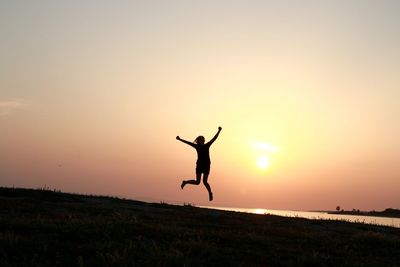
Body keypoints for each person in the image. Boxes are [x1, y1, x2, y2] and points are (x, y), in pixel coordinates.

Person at [176, 127, 222, 201]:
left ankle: (210, 193)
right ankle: (185, 182)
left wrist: (219, 131)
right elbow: (188, 143)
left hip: (206, 165)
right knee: (197, 182)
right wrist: (180, 139)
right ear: (199, 141)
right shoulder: (197, 146)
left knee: (205, 181)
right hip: (199, 165)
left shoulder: (207, 145)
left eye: (204, 140)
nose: (203, 141)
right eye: (202, 140)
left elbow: (214, 138)